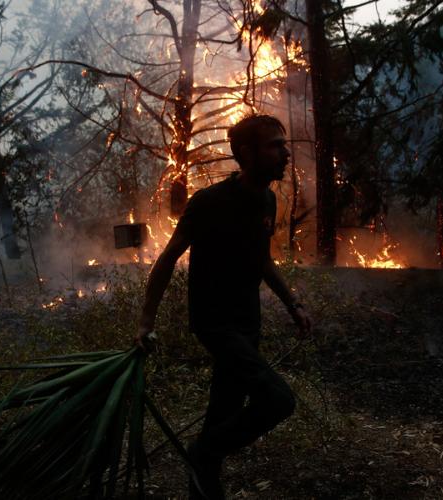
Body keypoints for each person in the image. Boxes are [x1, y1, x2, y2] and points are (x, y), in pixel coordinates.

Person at [134, 114, 312, 500]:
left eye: (284, 145)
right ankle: (203, 453)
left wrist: (292, 303)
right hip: (216, 324)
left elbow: (262, 260)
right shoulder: (209, 203)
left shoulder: (266, 199)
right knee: (278, 400)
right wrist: (146, 322)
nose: (285, 153)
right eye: (275, 145)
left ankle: (203, 485)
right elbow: (167, 259)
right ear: (246, 153)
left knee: (224, 412)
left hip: (248, 323)